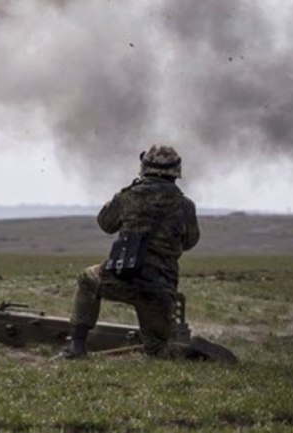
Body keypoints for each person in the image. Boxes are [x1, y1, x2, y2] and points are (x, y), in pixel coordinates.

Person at [59, 144, 199, 359]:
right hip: (160, 288)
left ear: (143, 167)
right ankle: (194, 355)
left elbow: (105, 223)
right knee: (158, 350)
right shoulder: (185, 205)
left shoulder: (128, 197)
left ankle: (76, 346)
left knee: (88, 279)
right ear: (176, 171)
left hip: (122, 278)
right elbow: (190, 241)